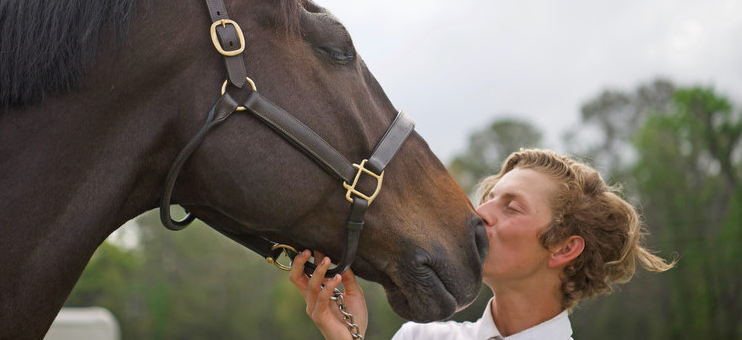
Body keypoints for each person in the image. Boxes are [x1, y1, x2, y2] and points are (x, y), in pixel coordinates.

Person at [289, 148, 676, 339]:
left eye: (511, 207)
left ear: (563, 248)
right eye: (489, 198)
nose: (480, 213)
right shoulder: (421, 337)